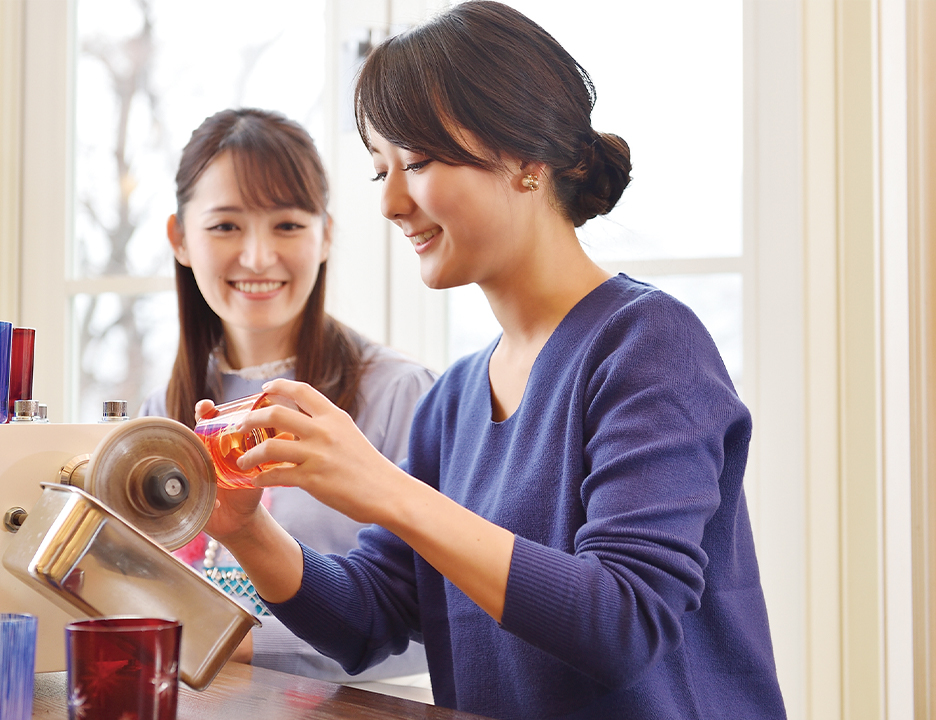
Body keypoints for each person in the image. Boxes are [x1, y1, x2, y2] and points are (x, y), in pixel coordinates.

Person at [198, 3, 788, 719]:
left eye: (415, 162)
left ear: (529, 160)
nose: (389, 202)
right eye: (380, 169)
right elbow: (369, 620)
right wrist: (244, 528)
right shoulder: (452, 401)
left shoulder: (649, 344)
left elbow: (626, 621)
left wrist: (385, 488)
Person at [137, 107, 436, 684]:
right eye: (225, 226)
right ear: (179, 238)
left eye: (287, 225)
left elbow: (432, 622)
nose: (257, 257)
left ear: (326, 235)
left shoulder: (400, 393)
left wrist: (231, 642)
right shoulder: (162, 414)